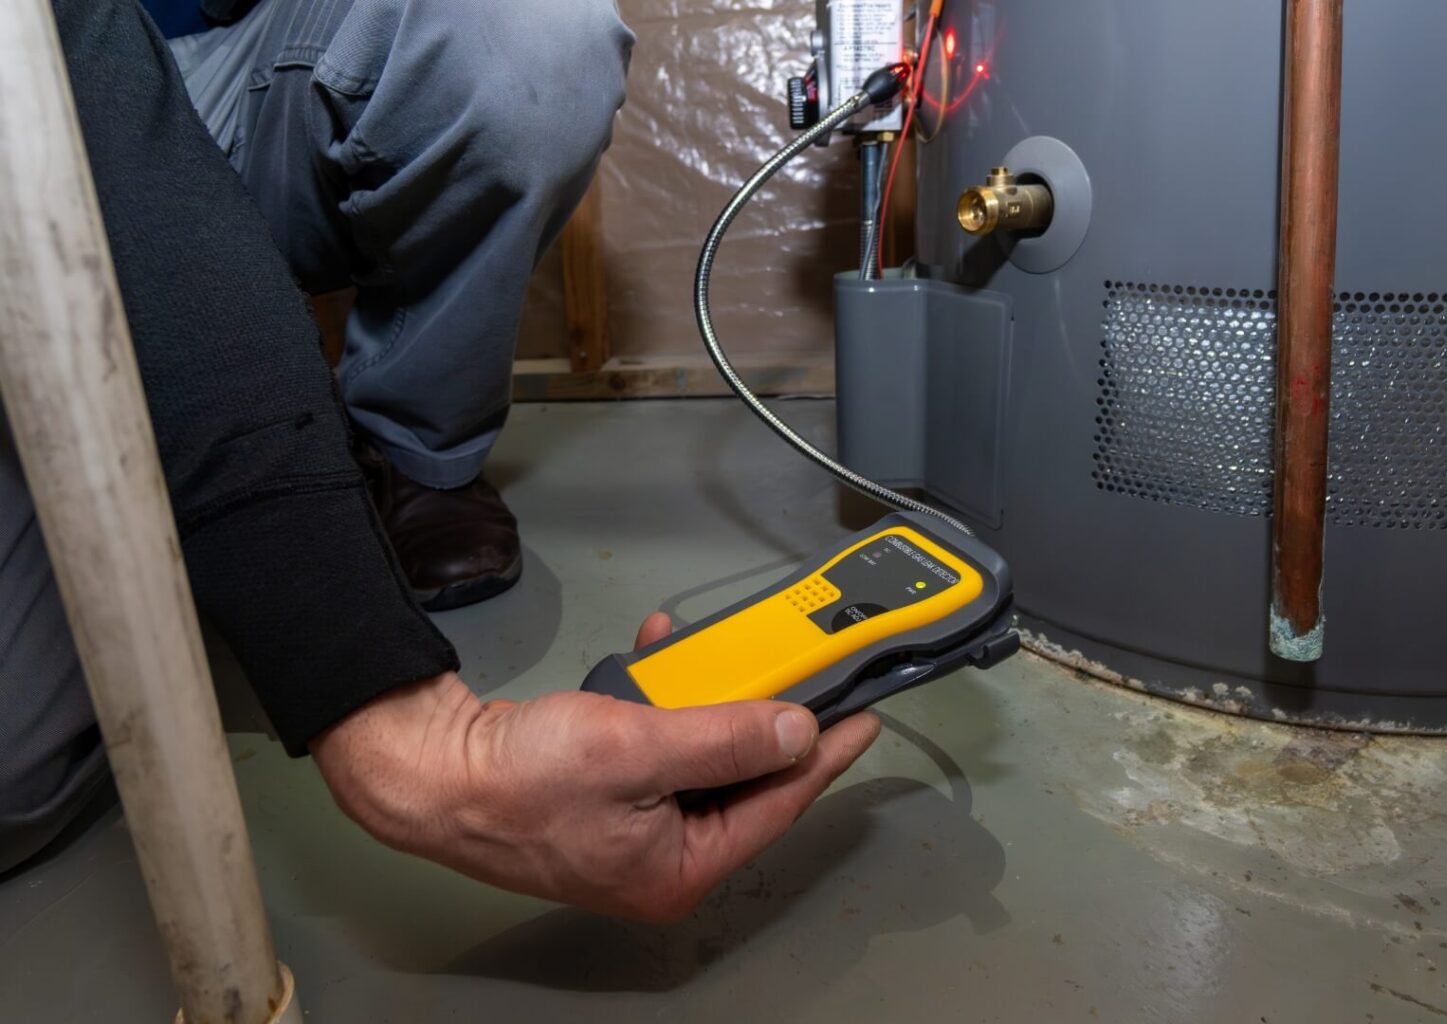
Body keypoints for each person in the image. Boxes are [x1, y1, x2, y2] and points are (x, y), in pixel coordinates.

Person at [0, 0, 881, 921]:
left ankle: (409, 455)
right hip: (32, 85)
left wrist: (413, 730)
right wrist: (417, 738)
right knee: (18, 785)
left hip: (204, 59)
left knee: (525, 35)